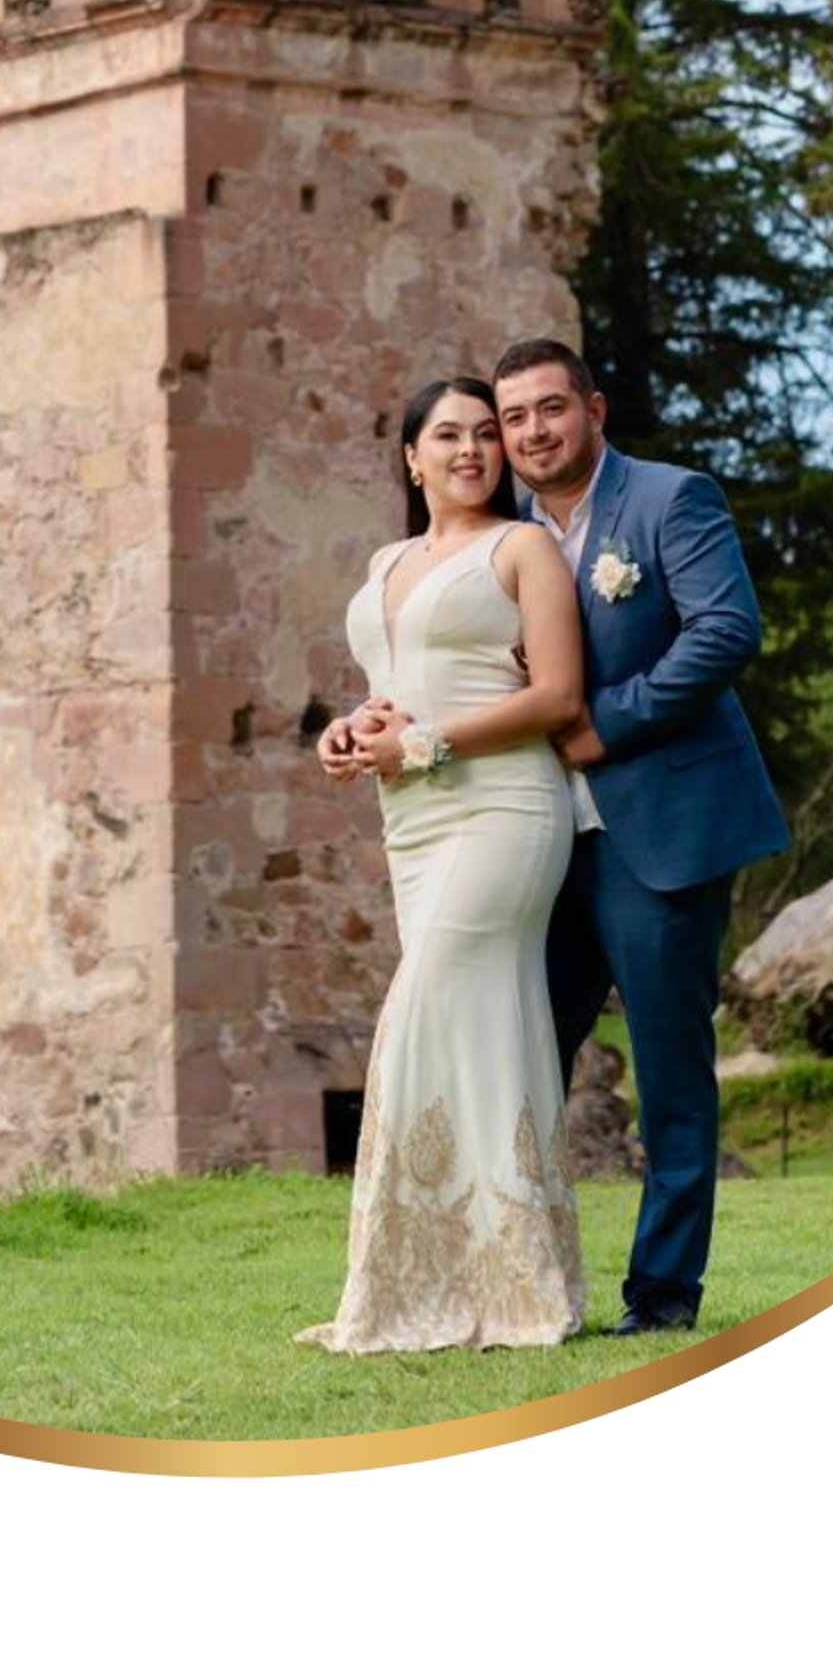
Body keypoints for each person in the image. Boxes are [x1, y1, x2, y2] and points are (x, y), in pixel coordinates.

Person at [491, 337, 790, 1336]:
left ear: (594, 408)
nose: (532, 432)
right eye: (514, 418)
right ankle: (519, 1280)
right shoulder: (505, 536)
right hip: (541, 841)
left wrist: (605, 721)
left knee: (669, 1073)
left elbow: (725, 629)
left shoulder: (670, 499)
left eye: (549, 408)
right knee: (523, 1054)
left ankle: (660, 1297)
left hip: (657, 828)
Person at [298, 376, 589, 1354]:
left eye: (486, 434)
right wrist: (356, 727)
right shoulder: (390, 558)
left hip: (503, 806)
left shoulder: (524, 547)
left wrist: (424, 746)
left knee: (425, 1009)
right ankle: (478, 1275)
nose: (473, 449)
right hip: (412, 823)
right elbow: (397, 688)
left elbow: (554, 694)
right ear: (409, 457)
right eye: (449, 435)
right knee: (477, 1028)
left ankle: (469, 1281)